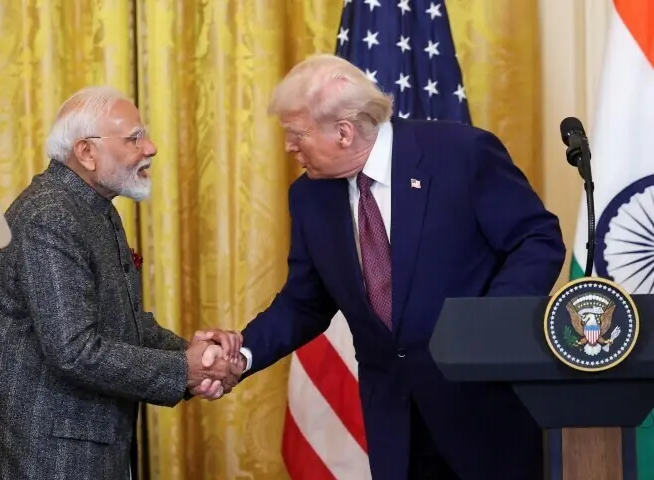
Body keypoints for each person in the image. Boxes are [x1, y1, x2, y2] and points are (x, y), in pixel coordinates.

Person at [235, 55, 566, 479]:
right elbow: (304, 302)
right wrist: (241, 353)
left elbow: (535, 239)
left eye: (296, 134)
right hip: (395, 423)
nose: (288, 147)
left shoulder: (461, 155)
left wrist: (490, 322)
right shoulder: (310, 197)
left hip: (484, 409)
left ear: (343, 132)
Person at [0, 86, 243, 480]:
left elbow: (127, 323)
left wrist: (195, 355)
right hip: (42, 459)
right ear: (86, 152)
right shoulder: (49, 216)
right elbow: (74, 350)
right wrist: (184, 370)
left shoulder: (93, 208)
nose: (150, 148)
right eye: (134, 138)